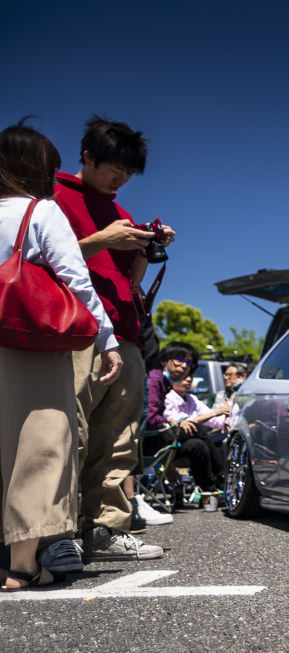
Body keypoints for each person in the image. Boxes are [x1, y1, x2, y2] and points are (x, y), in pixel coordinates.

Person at [0, 120, 121, 588]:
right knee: (41, 444)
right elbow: (77, 281)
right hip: (30, 341)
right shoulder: (41, 211)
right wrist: (107, 341)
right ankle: (22, 564)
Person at [54, 116, 173, 562]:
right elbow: (41, 261)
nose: (120, 179)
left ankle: (104, 529)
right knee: (71, 430)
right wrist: (104, 239)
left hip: (124, 330)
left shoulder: (119, 213)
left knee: (119, 436)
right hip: (77, 328)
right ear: (88, 156)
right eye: (114, 169)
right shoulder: (54, 197)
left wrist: (144, 249)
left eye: (128, 172)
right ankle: (56, 532)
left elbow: (131, 282)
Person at [163, 372, 232, 493]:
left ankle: (209, 489)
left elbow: (215, 420)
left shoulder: (192, 399)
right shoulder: (167, 398)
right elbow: (180, 423)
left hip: (186, 445)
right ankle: (221, 471)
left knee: (199, 445)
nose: (189, 379)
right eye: (184, 377)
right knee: (196, 428)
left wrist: (228, 419)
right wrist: (215, 412)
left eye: (190, 376)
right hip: (169, 443)